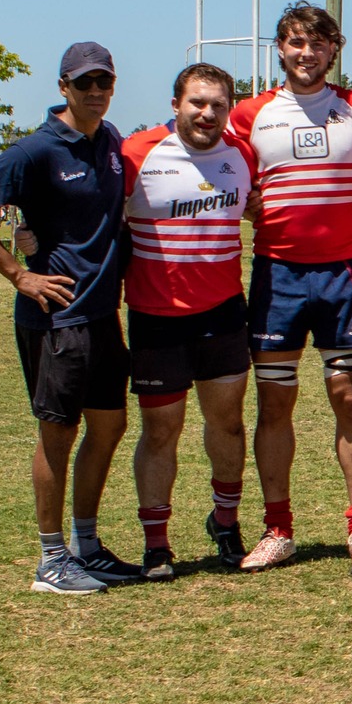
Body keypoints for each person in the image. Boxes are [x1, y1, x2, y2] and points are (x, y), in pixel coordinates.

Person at [0, 42, 141, 594]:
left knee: (110, 425)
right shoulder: (35, 149)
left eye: (104, 81)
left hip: (102, 314)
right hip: (56, 316)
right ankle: (51, 561)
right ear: (63, 87)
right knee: (58, 433)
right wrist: (19, 273)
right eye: (84, 83)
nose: (95, 91)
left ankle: (87, 546)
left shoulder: (109, 141)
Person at [228, 2, 352, 576]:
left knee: (348, 399)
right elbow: (229, 176)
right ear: (280, 48)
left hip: (342, 272)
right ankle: (279, 528)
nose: (306, 53)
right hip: (277, 274)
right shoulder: (250, 113)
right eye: (295, 42)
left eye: (317, 43)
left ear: (333, 50)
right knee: (275, 401)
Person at [120, 65, 256, 580]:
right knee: (162, 431)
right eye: (197, 103)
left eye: (218, 105)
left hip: (222, 312)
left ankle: (226, 523)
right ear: (175, 103)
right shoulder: (137, 152)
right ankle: (157, 544)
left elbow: (259, 208)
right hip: (156, 318)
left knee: (226, 424)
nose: (207, 114)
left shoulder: (242, 153)